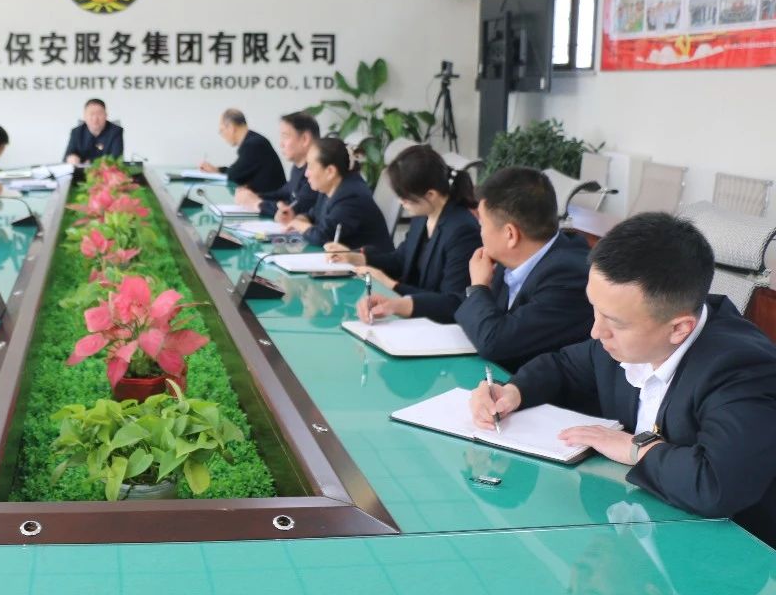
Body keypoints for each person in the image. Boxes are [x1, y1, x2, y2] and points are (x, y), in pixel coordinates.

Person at [469, 213, 776, 546]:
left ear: (678, 329)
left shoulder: (741, 368)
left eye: (613, 321)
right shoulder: (629, 337)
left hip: (723, 551)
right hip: (643, 523)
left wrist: (634, 448)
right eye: (595, 309)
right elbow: (564, 365)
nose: (595, 331)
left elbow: (715, 485)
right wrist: (513, 391)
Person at [454, 166, 592, 371]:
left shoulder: (568, 277)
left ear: (510, 234)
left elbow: (495, 343)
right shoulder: (512, 258)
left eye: (482, 224)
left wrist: (478, 288)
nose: (480, 233)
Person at [330, 144, 480, 324]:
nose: (401, 203)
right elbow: (401, 259)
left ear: (431, 194)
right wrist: (356, 258)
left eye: (405, 197)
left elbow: (453, 302)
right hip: (416, 320)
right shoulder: (424, 214)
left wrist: (391, 285)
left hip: (439, 326)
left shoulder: (462, 231)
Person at [286, 137, 392, 251]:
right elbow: (313, 215)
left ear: (330, 171)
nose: (306, 173)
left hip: (368, 261)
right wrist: (302, 218)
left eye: (311, 167)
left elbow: (323, 237)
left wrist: (299, 224)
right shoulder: (329, 187)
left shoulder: (352, 197)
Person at [232, 111, 320, 221]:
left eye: (285, 136)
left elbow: (294, 210)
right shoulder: (297, 167)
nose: (281, 144)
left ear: (305, 139)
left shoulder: (317, 172)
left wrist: (257, 203)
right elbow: (283, 193)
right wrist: (253, 196)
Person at [198, 108, 285, 194]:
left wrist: (217, 171)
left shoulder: (253, 145)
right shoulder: (255, 140)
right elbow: (239, 170)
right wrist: (216, 170)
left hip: (272, 200)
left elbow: (235, 175)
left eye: (221, 130)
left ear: (231, 128)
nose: (222, 135)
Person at [63, 98, 124, 165]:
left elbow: (116, 158)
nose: (95, 118)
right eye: (91, 114)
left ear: (106, 115)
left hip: (107, 170)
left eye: (99, 114)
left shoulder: (116, 131)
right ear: (84, 116)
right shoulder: (76, 132)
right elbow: (67, 156)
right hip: (81, 171)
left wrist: (91, 163)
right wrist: (71, 158)